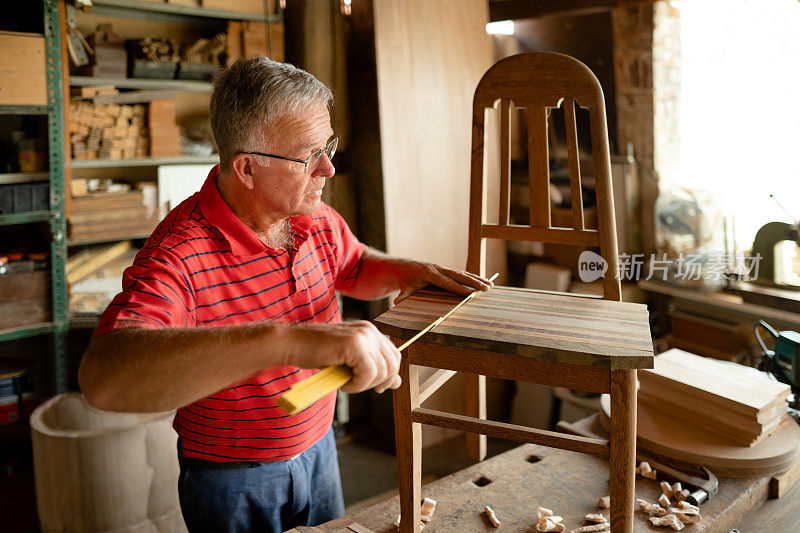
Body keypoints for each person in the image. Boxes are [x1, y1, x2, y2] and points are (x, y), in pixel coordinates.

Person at [78, 57, 492, 533]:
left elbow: (354, 267)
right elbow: (103, 379)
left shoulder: (309, 215)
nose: (329, 168)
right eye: (308, 155)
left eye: (328, 146)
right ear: (247, 168)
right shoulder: (180, 254)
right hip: (233, 477)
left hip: (319, 447)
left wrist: (408, 272)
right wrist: (287, 341)